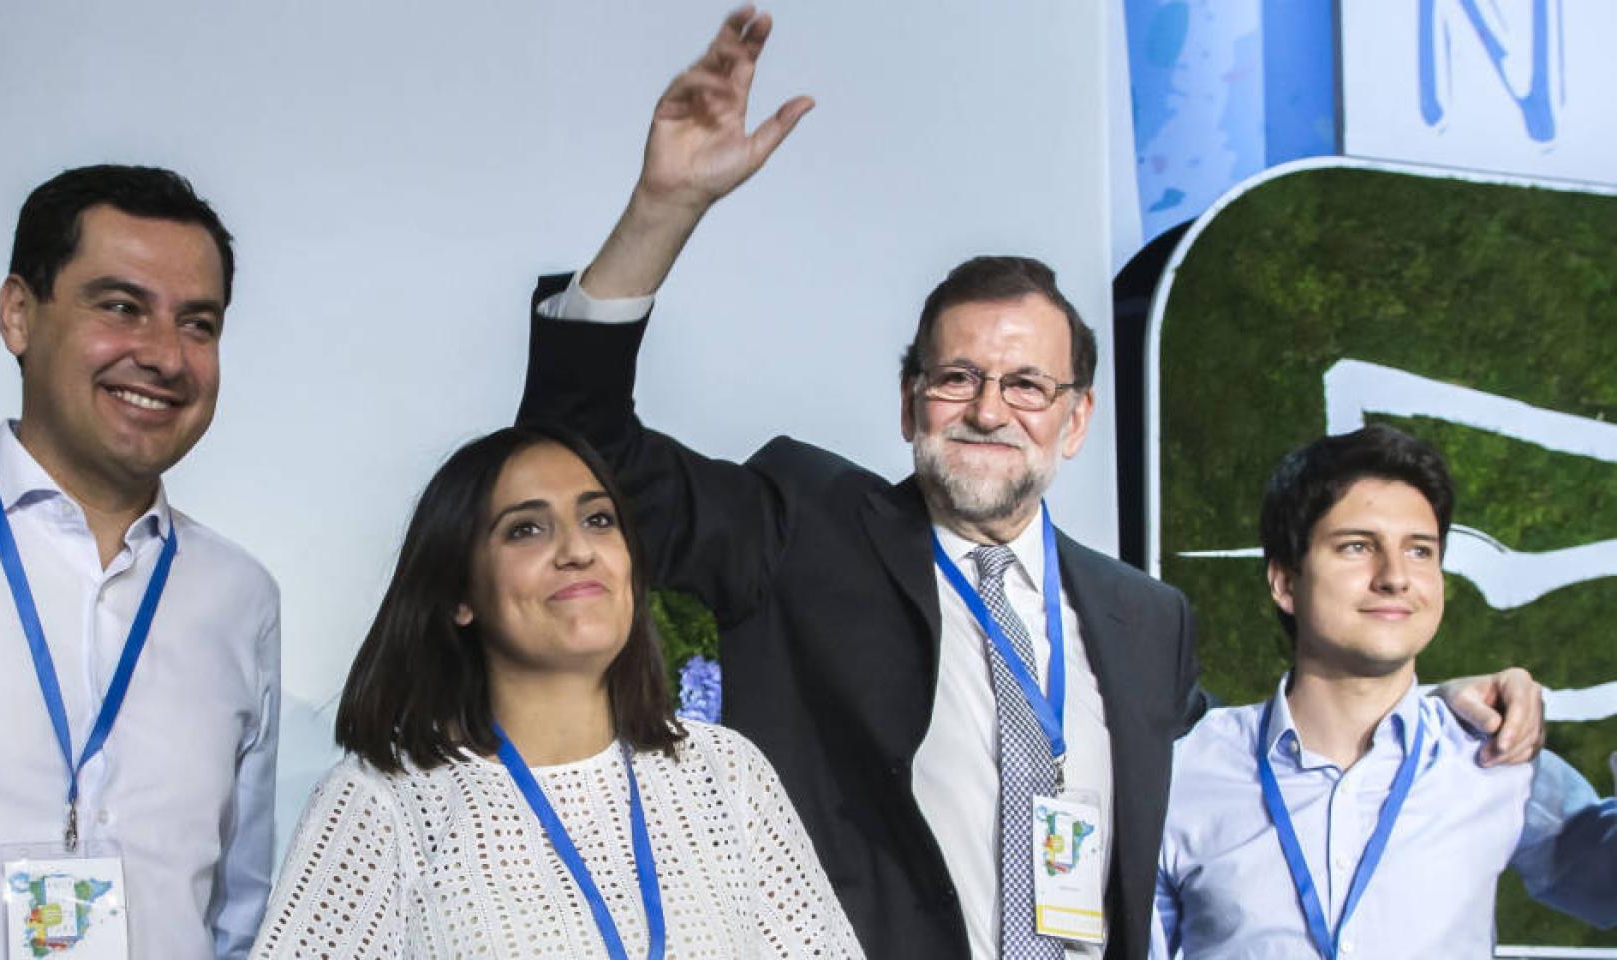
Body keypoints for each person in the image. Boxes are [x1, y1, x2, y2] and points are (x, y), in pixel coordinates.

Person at [515, 8, 1547, 960]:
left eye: (1024, 384)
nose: (985, 409)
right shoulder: (802, 528)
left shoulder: (1143, 621)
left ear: (1074, 416)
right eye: (955, 377)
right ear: (908, 396)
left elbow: (1259, 771)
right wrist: (661, 210)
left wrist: (1419, 706)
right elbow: (581, 447)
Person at [250, 424, 861, 958]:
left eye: (599, 519)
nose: (576, 550)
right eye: (525, 530)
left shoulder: (725, 772)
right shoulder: (385, 802)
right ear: (459, 595)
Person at [0, 166, 280, 958]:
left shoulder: (239, 597)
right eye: (120, 307)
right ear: (19, 315)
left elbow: (237, 914)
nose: (165, 357)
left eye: (199, 324)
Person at [1151, 426, 1617, 958]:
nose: (1395, 576)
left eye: (1420, 551)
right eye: (1357, 547)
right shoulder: (1184, 771)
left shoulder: (1495, 759)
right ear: (1284, 582)